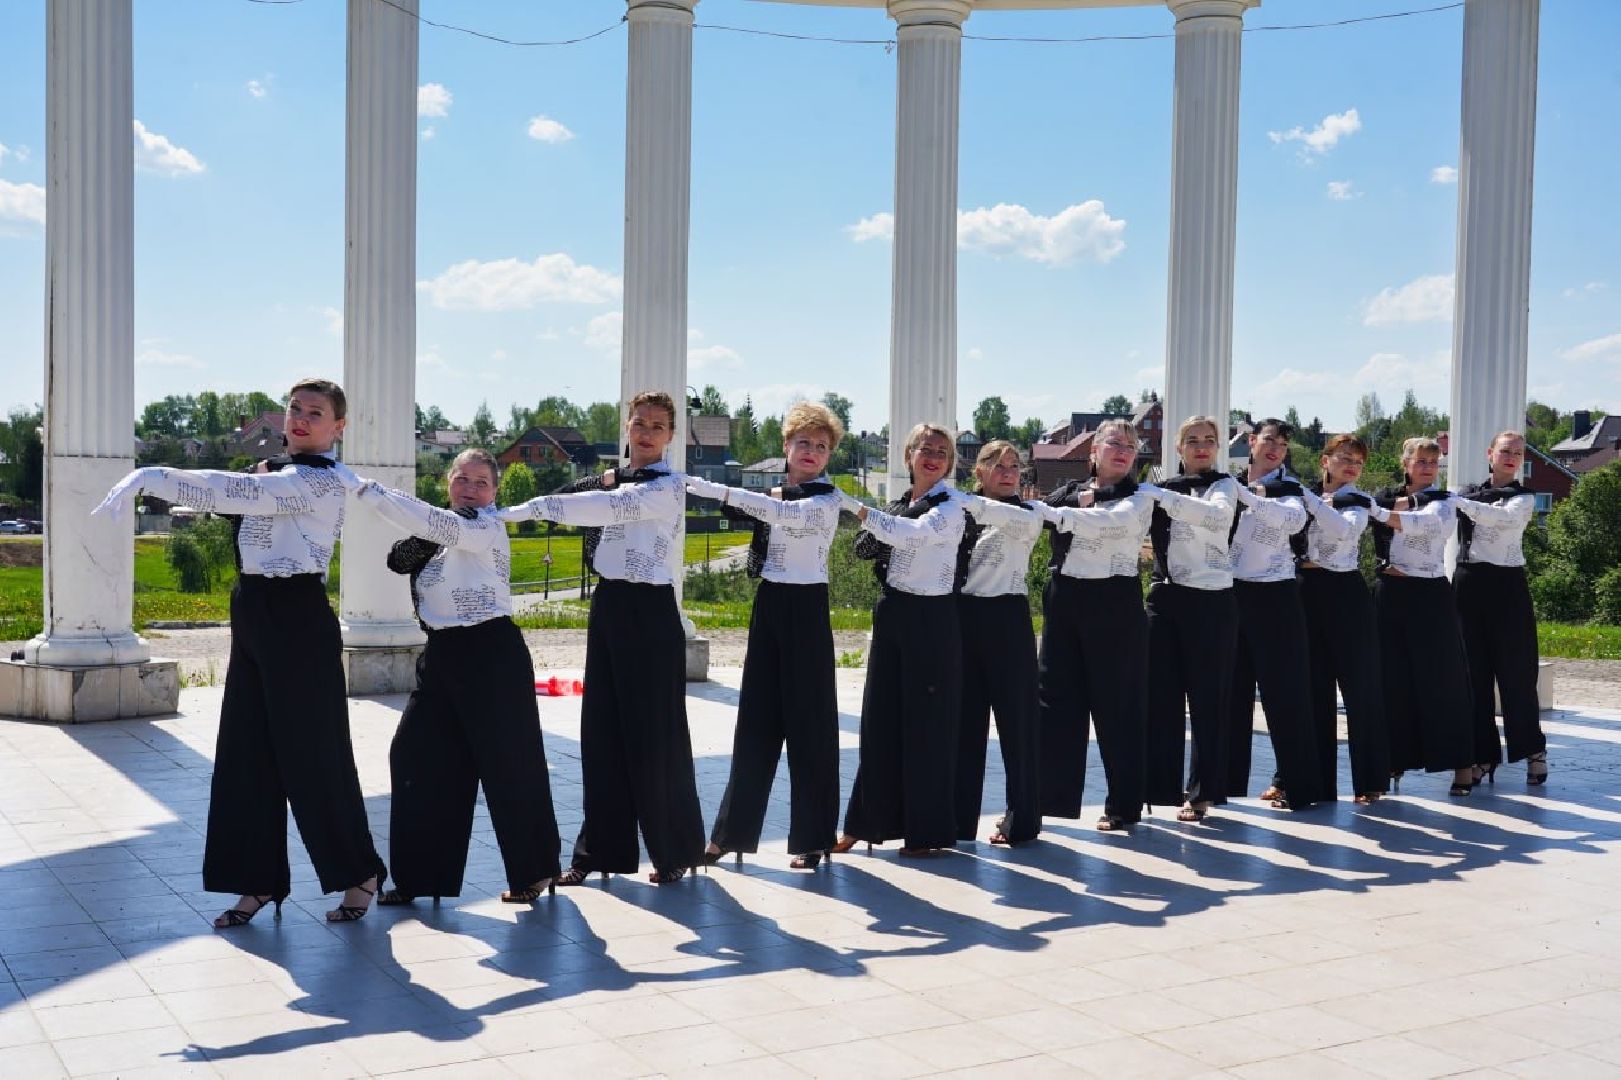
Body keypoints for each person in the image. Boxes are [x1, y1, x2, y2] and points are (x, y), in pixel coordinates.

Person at [93, 378, 386, 927]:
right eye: (294, 409)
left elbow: (235, 494)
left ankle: (360, 872)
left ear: (337, 427)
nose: (299, 419)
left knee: (314, 755)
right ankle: (257, 883)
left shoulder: (319, 483)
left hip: (299, 617)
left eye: (314, 412)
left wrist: (156, 476)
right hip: (252, 610)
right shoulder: (272, 475)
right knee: (245, 754)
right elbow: (246, 509)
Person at [499, 391, 706, 885]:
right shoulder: (615, 482)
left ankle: (671, 850)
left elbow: (591, 508)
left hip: (653, 611)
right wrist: (609, 475)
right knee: (602, 731)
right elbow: (578, 494)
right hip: (610, 605)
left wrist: (523, 509)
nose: (647, 432)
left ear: (671, 436)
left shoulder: (669, 486)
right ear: (627, 428)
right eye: (639, 423)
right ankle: (599, 853)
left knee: (655, 734)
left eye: (658, 426)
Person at [345, 449, 563, 905]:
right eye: (462, 480)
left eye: (482, 482)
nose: (471, 489)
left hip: (492, 653)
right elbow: (398, 559)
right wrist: (423, 535)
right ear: (448, 482)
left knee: (510, 764)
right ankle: (419, 878)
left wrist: (369, 490)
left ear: (495, 491)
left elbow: (436, 532)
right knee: (416, 757)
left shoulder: (485, 526)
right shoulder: (434, 527)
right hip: (442, 655)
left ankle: (535, 872)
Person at [685, 402, 852, 870]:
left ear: (829, 456)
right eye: (804, 443)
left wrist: (706, 486)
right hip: (771, 604)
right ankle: (729, 834)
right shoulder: (779, 493)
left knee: (811, 727)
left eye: (821, 446)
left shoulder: (827, 499)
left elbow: (769, 507)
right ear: (786, 446)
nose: (812, 452)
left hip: (809, 608)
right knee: (755, 722)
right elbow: (749, 513)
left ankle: (814, 837)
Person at [832, 424, 968, 857]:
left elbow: (910, 536)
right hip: (893, 613)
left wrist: (853, 506)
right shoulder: (900, 505)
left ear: (951, 462)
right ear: (908, 455)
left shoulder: (952, 507)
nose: (932, 456)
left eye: (942, 451)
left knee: (927, 726)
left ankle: (924, 832)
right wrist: (881, 519)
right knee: (879, 721)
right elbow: (863, 548)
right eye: (924, 448)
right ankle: (864, 823)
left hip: (933, 618)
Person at [1033, 420, 1156, 833]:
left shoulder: (1140, 496)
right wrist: (1067, 504)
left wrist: (1068, 509)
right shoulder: (1069, 492)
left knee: (1118, 707)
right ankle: (1052, 803)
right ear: (1094, 452)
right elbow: (1041, 515)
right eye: (1114, 443)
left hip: (1115, 602)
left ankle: (1123, 805)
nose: (1123, 451)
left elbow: (1109, 523)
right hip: (1065, 597)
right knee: (1057, 701)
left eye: (1130, 446)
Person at [1223, 419, 1325, 811]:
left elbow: (1292, 521)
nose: (1275, 449)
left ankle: (1293, 785)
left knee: (1286, 694)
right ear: (1252, 442)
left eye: (1283, 444)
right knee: (1229, 695)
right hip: (1230, 594)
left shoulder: (1291, 489)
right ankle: (1222, 786)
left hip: (1277, 596)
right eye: (1269, 441)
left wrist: (1248, 496)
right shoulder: (1226, 483)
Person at [1142, 416, 1240, 823]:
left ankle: (1202, 792)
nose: (1202, 447)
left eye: (1209, 440)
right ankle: (1158, 789)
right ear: (1178, 449)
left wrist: (1161, 496)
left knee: (1208, 701)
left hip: (1212, 600)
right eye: (1193, 441)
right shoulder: (1158, 491)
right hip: (1165, 598)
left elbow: (1215, 518)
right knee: (1159, 698)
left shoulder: (1225, 486)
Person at [952, 440, 1046, 846]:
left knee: (1018, 725)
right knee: (965, 726)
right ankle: (957, 822)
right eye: (999, 465)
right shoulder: (958, 512)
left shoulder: (1028, 514)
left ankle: (1022, 820)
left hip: (1009, 618)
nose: (1009, 472)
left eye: (1014, 466)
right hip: (964, 618)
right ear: (980, 471)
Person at [1370, 437, 1476, 796]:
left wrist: (1385, 513)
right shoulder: (1385, 495)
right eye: (1422, 461)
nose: (1429, 467)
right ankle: (1392, 762)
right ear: (1406, 463)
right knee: (1391, 679)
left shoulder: (1445, 502)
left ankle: (1462, 765)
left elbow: (1426, 525)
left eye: (1434, 461)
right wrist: (1386, 509)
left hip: (1431, 595)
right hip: (1390, 592)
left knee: (1445, 681)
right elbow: (1378, 509)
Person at [1297, 434, 1391, 803]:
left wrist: (1308, 501)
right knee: (1312, 689)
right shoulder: (1300, 495)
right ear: (1325, 461)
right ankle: (1314, 782)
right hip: (1304, 590)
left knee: (1361, 688)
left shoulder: (1357, 501)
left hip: (1346, 593)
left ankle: (1370, 781)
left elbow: (1344, 529)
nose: (1352, 465)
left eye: (1358, 461)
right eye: (1344, 457)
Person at [1453, 431, 1546, 784]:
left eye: (1518, 453)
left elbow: (1501, 520)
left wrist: (1457, 501)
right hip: (1468, 582)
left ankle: (1533, 750)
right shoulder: (1468, 493)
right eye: (1505, 451)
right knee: (1473, 676)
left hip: (1507, 586)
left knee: (1517, 674)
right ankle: (1482, 754)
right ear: (1490, 453)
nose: (1511, 457)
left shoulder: (1523, 498)